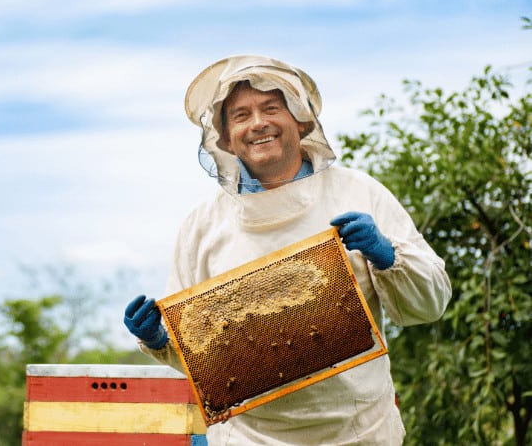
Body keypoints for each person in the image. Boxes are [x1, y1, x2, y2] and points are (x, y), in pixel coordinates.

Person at [123, 55, 452, 445]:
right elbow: (203, 363)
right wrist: (161, 340)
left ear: (301, 120)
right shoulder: (202, 226)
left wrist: (387, 255)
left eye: (271, 108)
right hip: (250, 437)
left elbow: (429, 305)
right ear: (225, 137)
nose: (258, 123)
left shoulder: (359, 191)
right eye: (241, 115)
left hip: (362, 430)